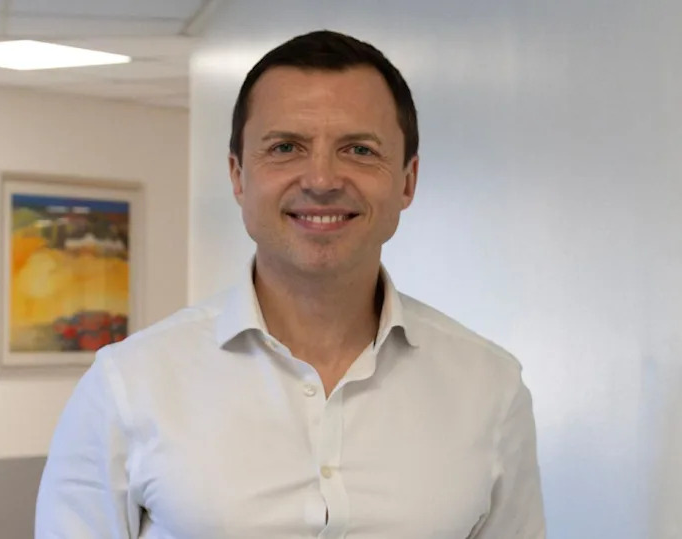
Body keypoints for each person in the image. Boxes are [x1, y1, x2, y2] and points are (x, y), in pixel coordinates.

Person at [35, 29, 545, 539]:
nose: (321, 180)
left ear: (407, 181)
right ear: (238, 176)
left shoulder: (491, 390)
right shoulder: (128, 386)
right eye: (285, 147)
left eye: (359, 150)